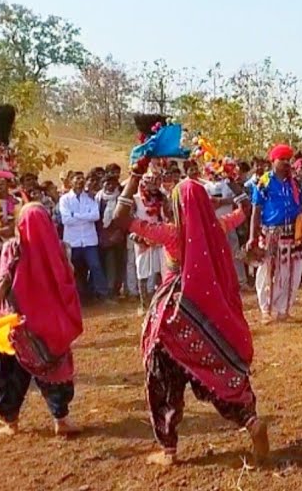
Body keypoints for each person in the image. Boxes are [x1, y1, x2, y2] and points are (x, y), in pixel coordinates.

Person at [109, 159, 268, 466]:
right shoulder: (218, 227)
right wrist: (230, 176)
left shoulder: (171, 233)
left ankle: (168, 449)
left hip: (173, 319)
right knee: (215, 372)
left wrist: (136, 174)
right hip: (206, 317)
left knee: (164, 381)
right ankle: (250, 421)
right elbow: (245, 208)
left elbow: (120, 218)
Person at [0, 204, 83, 437]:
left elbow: (3, 281)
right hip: (51, 322)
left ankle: (10, 421)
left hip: (16, 322)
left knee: (10, 372)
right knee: (55, 369)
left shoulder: (13, 247)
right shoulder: (60, 248)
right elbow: (69, 277)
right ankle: (61, 418)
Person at [247, 145, 302, 323]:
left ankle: (283, 310)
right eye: (283, 159)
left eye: (289, 159)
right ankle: (266, 310)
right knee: (267, 272)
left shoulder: (294, 183)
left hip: (293, 234)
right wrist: (252, 237)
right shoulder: (264, 182)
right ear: (273, 161)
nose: (286, 163)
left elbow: (300, 207)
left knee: (291, 273)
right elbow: (256, 212)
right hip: (271, 234)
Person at [59, 171, 108, 302]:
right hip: (72, 241)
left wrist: (75, 215)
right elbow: (66, 220)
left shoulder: (91, 198)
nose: (80, 181)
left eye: (82, 179)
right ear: (71, 181)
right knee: (74, 270)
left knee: (95, 266)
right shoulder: (64, 199)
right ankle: (76, 297)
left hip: (89, 240)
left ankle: (102, 294)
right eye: (77, 179)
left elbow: (95, 216)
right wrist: (86, 217)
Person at [129, 170, 166, 316]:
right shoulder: (135, 199)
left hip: (160, 236)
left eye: (156, 183)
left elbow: (166, 216)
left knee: (162, 269)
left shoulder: (162, 197)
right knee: (142, 271)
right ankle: (144, 304)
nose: (154, 186)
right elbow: (130, 219)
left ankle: (162, 302)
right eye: (151, 183)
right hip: (142, 238)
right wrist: (136, 236)